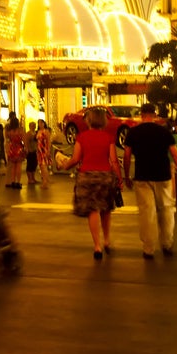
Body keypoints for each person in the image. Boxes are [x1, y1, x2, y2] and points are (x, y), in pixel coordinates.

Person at [122, 104, 177, 259]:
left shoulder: (133, 133)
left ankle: (148, 248)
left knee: (147, 213)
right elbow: (175, 154)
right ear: (154, 114)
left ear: (141, 114)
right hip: (163, 175)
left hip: (142, 176)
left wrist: (126, 176)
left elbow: (127, 156)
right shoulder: (163, 132)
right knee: (166, 209)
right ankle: (167, 244)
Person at [56, 107, 119, 260]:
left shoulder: (82, 137)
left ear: (89, 120)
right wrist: (120, 179)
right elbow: (114, 160)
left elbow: (76, 159)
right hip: (105, 176)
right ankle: (107, 240)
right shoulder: (108, 137)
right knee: (105, 209)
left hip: (86, 176)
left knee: (93, 210)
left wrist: (65, 164)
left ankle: (97, 246)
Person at [4, 117, 25, 189]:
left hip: (12, 148)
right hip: (19, 148)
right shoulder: (20, 130)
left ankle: (12, 181)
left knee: (13, 166)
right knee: (19, 166)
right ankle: (18, 182)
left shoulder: (9, 131)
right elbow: (23, 139)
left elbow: (7, 139)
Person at [36, 120, 52, 189]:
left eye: (41, 123)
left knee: (44, 165)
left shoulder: (46, 131)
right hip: (39, 150)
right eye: (39, 123)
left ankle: (45, 181)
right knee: (41, 166)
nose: (40, 124)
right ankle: (44, 181)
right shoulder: (38, 132)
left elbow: (48, 141)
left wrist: (48, 150)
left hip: (44, 149)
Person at [24, 121, 39, 187]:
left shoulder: (36, 133)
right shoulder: (28, 133)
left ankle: (33, 178)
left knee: (34, 164)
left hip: (35, 150)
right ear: (30, 126)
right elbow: (26, 142)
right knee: (29, 164)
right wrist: (27, 149)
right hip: (30, 151)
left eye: (34, 125)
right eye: (32, 125)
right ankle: (29, 179)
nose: (34, 126)